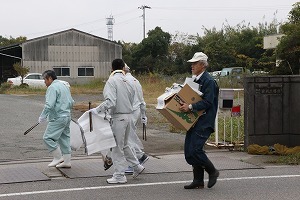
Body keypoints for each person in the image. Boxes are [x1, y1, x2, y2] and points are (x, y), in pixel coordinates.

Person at [89, 59, 144, 184]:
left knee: (116, 147)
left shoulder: (112, 81)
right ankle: (136, 166)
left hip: (119, 117)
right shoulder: (129, 81)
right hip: (129, 116)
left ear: (112, 68)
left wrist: (97, 110)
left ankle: (119, 175)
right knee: (125, 144)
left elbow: (110, 102)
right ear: (123, 68)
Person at [179, 52, 220, 189]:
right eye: (192, 63)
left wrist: (190, 106)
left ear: (202, 65)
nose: (192, 66)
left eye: (195, 63)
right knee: (189, 151)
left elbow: (208, 102)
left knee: (196, 149)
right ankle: (198, 180)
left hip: (204, 120)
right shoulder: (195, 79)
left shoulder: (208, 81)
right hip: (194, 120)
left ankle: (212, 171)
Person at [38, 70, 74, 168]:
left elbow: (49, 104)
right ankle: (67, 161)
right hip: (67, 116)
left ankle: (58, 157)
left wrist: (43, 116)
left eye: (45, 80)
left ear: (49, 78)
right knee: (64, 138)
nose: (44, 82)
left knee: (47, 138)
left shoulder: (52, 87)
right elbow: (71, 102)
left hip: (58, 117)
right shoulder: (64, 86)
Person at [123, 64, 149, 174]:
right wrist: (143, 114)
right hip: (137, 110)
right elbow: (141, 99)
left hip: (130, 111)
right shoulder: (136, 80)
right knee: (130, 135)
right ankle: (140, 156)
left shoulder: (124, 80)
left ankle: (134, 163)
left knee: (128, 137)